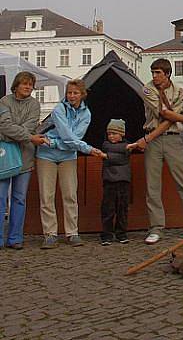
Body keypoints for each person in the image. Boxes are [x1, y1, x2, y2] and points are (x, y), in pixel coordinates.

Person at [129, 58, 183, 244]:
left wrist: (176, 120)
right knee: (153, 186)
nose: (155, 76)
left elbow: (170, 120)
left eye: (158, 73)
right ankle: (156, 228)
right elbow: (165, 114)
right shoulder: (147, 89)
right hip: (154, 140)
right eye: (153, 73)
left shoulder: (179, 91)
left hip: (173, 138)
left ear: (167, 74)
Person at [36, 79, 106, 249]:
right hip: (46, 155)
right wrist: (88, 149)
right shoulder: (59, 109)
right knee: (47, 196)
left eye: (75, 93)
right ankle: (50, 234)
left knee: (70, 195)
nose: (72, 96)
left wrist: (52, 142)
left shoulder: (86, 114)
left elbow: (74, 139)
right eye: (69, 93)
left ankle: (72, 233)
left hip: (67, 155)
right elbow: (68, 136)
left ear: (82, 95)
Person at [0, 72, 48, 249]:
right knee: (0, 197)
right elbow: (4, 125)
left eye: (30, 85)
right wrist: (28, 137)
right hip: (4, 157)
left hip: (25, 158)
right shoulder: (4, 101)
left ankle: (15, 238)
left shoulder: (35, 104)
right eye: (25, 84)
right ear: (16, 85)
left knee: (19, 198)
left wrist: (11, 134)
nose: (28, 87)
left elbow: (29, 125)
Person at [100, 119, 131, 245]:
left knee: (122, 208)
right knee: (108, 209)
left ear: (121, 134)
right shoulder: (106, 145)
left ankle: (121, 233)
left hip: (123, 181)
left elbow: (122, 158)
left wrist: (107, 156)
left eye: (114, 133)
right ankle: (107, 234)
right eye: (109, 134)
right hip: (110, 181)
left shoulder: (127, 147)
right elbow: (119, 155)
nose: (111, 136)